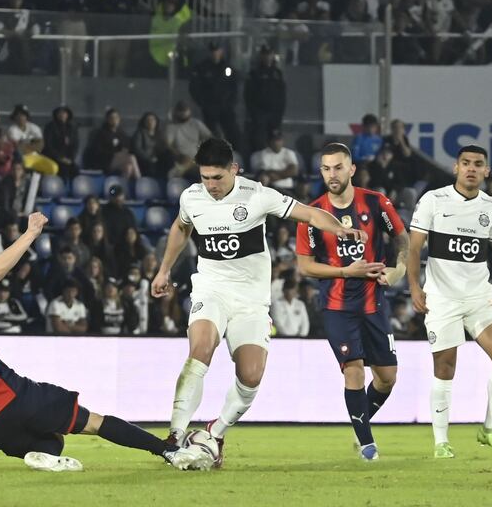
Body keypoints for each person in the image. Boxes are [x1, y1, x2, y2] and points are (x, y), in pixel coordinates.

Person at [0, 212, 211, 473]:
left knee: (53, 441)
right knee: (92, 421)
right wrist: (31, 233)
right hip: (14, 398)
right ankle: (168, 451)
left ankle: (41, 455)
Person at [151, 138, 365, 468]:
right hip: (211, 290)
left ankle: (215, 432)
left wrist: (338, 229)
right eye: (205, 177)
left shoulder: (258, 195)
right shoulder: (192, 197)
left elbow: (308, 213)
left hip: (251, 300)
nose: (211, 186)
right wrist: (164, 270)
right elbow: (181, 227)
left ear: (234, 170)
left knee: (250, 375)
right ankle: (174, 436)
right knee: (201, 348)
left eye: (217, 178)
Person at [407, 144, 492, 459]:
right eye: (466, 163)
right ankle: (441, 442)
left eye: (478, 164)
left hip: (478, 297)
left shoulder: (491, 207)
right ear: (456, 167)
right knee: (444, 367)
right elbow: (415, 248)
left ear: (486, 171)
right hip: (442, 299)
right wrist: (415, 287)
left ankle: (491, 428)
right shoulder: (434, 200)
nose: (471, 168)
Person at [295, 142, 409, 461]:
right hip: (337, 307)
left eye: (338, 167)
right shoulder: (314, 213)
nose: (332, 174)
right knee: (354, 370)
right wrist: (346, 272)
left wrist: (398, 270)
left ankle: (359, 420)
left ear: (351, 169)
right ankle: (367, 445)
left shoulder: (375, 202)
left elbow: (402, 238)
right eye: (326, 168)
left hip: (375, 303)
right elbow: (304, 266)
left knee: (387, 378)